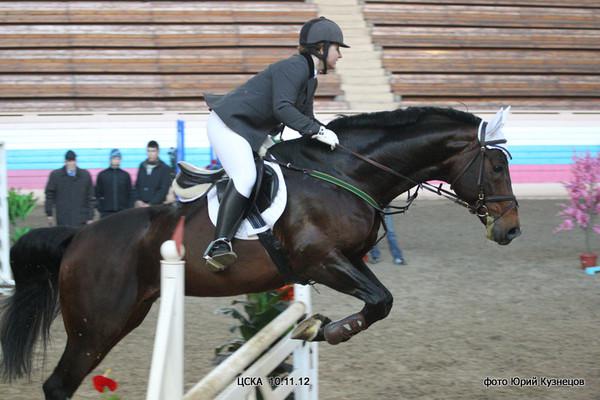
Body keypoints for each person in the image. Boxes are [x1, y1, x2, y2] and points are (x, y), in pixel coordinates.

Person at [202, 16, 349, 271]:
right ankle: (220, 243)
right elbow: (283, 109)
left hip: (250, 130)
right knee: (245, 177)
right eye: (337, 48)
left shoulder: (310, 77)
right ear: (321, 47)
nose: (340, 55)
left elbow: (305, 118)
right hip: (229, 125)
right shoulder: (294, 67)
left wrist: (327, 135)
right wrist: (317, 131)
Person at [45, 150, 94, 227]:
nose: (71, 163)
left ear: (76, 161)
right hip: (63, 218)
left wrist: (90, 217)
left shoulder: (85, 175)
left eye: (73, 160)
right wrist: (49, 213)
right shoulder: (56, 176)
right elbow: (49, 195)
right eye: (69, 161)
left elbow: (90, 197)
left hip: (81, 218)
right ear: (65, 162)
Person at [95, 149, 133, 218]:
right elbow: (98, 193)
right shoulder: (102, 175)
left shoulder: (125, 175)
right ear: (110, 159)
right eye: (114, 158)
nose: (116, 160)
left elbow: (130, 194)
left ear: (120, 160)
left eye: (118, 158)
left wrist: (128, 209)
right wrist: (100, 208)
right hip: (106, 213)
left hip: (122, 212)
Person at [134, 140, 172, 208]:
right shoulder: (142, 166)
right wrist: (138, 200)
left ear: (158, 152)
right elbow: (137, 185)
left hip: (156, 207)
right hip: (141, 207)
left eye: (153, 151)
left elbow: (163, 189)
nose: (150, 154)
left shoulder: (165, 168)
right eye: (148, 151)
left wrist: (151, 204)